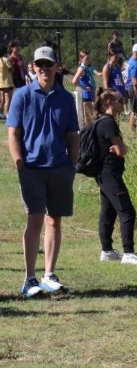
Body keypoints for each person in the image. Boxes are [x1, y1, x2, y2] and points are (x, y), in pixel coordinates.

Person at [7, 46, 79, 298]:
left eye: (48, 64)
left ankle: (49, 275)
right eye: (40, 64)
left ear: (56, 66)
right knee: (35, 219)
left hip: (60, 167)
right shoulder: (22, 95)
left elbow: (72, 134)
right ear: (33, 67)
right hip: (32, 168)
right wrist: (19, 162)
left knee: (54, 220)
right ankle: (29, 279)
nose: (44, 68)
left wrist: (73, 164)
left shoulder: (66, 99)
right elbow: (13, 133)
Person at [93, 90, 137, 266]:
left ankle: (107, 251)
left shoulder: (102, 122)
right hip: (109, 174)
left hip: (104, 174)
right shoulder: (109, 123)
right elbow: (121, 150)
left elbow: (117, 148)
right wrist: (122, 147)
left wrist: (120, 146)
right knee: (127, 211)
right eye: (120, 100)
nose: (124, 102)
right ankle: (128, 252)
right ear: (109, 103)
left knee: (108, 212)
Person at [71, 50, 97, 125]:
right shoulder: (81, 68)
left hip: (89, 94)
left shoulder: (87, 68)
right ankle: (87, 133)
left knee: (90, 115)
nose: (88, 60)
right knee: (88, 117)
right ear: (81, 59)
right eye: (86, 58)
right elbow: (74, 81)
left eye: (89, 58)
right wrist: (84, 88)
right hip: (85, 95)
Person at [0, 44, 13, 119]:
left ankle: (1, 113)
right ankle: (8, 114)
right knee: (8, 99)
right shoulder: (6, 59)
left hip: (0, 83)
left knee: (2, 99)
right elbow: (11, 69)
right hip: (7, 82)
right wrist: (10, 60)